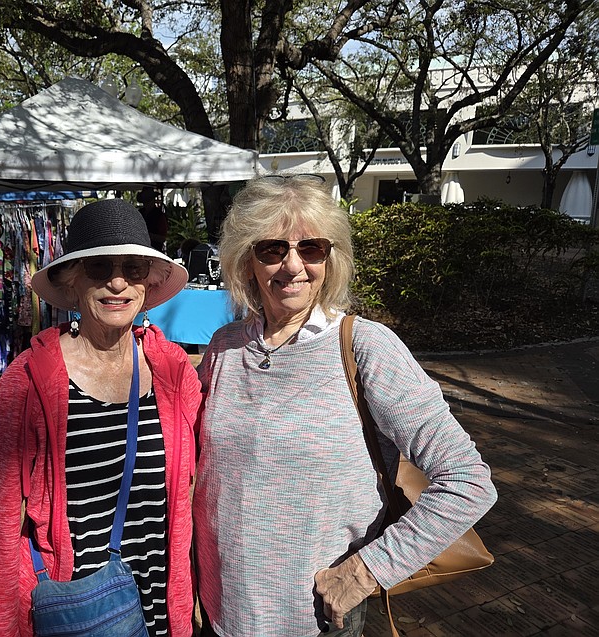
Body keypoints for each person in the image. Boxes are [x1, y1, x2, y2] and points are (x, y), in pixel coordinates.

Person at [193, 175, 498, 637]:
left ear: (331, 258)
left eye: (311, 248)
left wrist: (364, 572)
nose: (292, 266)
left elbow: (468, 481)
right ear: (246, 260)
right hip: (219, 608)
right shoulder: (225, 346)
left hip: (315, 616)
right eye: (272, 249)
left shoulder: (366, 347)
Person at [0, 199, 201, 637]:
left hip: (160, 598)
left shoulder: (173, 370)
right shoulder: (28, 381)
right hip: (77, 608)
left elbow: (194, 489)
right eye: (98, 268)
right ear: (72, 284)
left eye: (132, 268)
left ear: (147, 283)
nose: (117, 282)